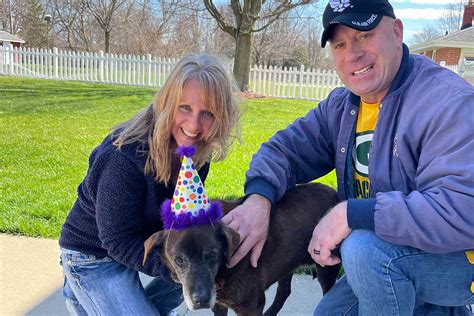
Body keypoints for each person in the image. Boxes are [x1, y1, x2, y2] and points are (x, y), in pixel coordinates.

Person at [222, 0, 474, 314]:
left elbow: (463, 209)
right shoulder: (343, 107)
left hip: (459, 260)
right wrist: (259, 199)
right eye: (340, 44)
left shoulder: (447, 102)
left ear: (397, 32)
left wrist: (352, 214)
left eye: (364, 36)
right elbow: (283, 150)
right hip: (387, 253)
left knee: (363, 249)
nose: (352, 53)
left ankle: (442, 306)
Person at [59, 53, 241, 315]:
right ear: (166, 103)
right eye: (185, 108)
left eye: (208, 113)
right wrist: (180, 271)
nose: (194, 125)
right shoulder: (122, 158)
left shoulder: (196, 152)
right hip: (92, 254)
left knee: (204, 264)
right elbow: (117, 241)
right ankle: (81, 291)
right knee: (186, 269)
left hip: (143, 237)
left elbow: (184, 225)